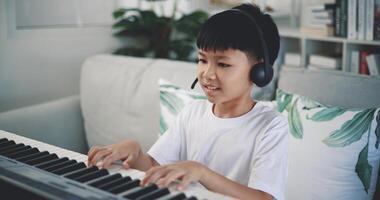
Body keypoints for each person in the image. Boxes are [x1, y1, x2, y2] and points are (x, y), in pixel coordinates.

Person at [87, 3, 288, 200]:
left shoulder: (271, 126)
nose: (207, 74)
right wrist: (135, 152)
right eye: (202, 60)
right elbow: (155, 167)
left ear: (259, 71)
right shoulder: (193, 112)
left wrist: (201, 172)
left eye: (223, 64)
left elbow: (264, 198)